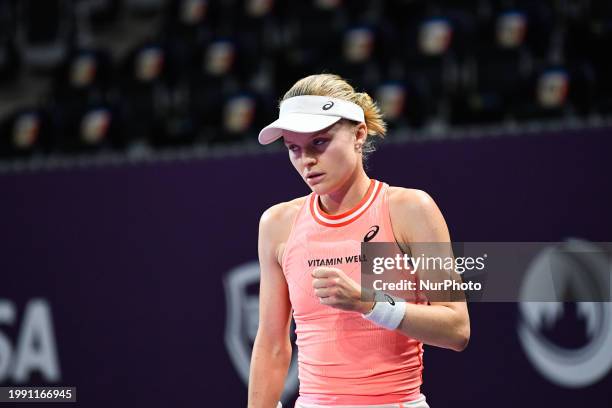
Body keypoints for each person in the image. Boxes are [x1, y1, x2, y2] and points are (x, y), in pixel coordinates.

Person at [248, 73, 470, 408]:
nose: (306, 160)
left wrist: (370, 303)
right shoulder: (277, 224)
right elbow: (272, 344)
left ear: (359, 133)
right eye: (294, 148)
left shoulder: (411, 209)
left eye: (319, 143)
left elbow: (457, 329)